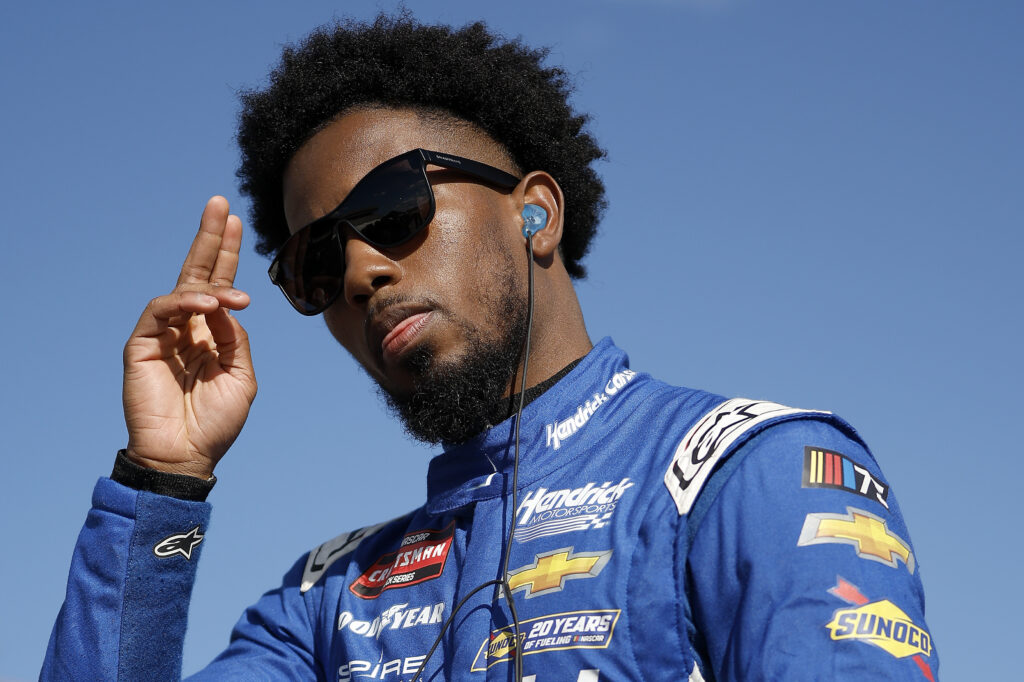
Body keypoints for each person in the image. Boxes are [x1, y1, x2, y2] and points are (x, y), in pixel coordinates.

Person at [42, 14, 938, 682]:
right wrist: (160, 482)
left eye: (393, 211)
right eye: (316, 262)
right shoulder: (328, 603)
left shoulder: (751, 474)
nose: (359, 274)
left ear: (535, 213)